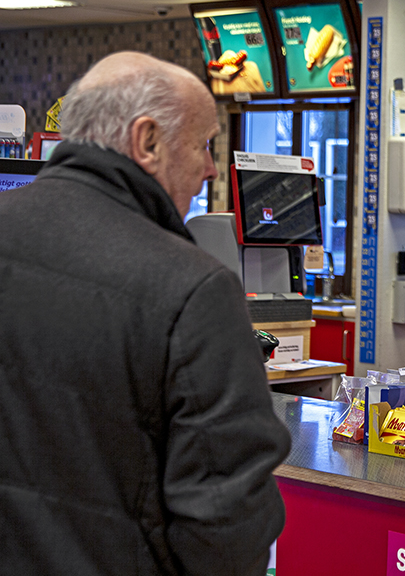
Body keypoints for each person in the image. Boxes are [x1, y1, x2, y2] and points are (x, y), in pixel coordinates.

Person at [0, 52, 290, 575]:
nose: (209, 168)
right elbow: (227, 520)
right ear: (147, 140)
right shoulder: (193, 289)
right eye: (202, 144)